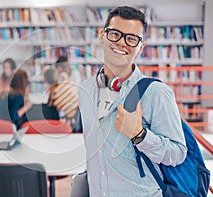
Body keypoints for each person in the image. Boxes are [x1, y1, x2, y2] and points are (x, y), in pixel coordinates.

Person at [77, 6, 187, 196]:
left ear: (140, 46)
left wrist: (139, 135)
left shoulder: (156, 93)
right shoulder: (85, 90)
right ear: (102, 35)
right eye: (115, 34)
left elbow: (177, 153)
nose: (121, 43)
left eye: (131, 38)